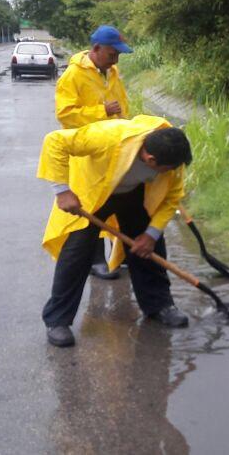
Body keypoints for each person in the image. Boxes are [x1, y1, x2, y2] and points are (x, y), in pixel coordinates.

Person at [37, 115, 193, 347]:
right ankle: (57, 320)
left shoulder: (172, 159)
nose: (172, 172)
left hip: (135, 194)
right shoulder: (109, 137)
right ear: (150, 159)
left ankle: (159, 305)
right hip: (94, 196)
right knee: (77, 255)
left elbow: (171, 198)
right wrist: (62, 190)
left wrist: (151, 234)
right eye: (167, 169)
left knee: (150, 249)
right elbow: (55, 141)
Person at [55, 25, 133, 280]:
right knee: (92, 205)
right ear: (97, 49)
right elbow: (65, 116)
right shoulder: (73, 76)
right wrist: (102, 112)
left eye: (118, 55)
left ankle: (119, 254)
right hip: (87, 154)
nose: (116, 59)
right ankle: (95, 259)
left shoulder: (112, 72)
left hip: (113, 150)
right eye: (113, 54)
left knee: (118, 201)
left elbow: (122, 107)